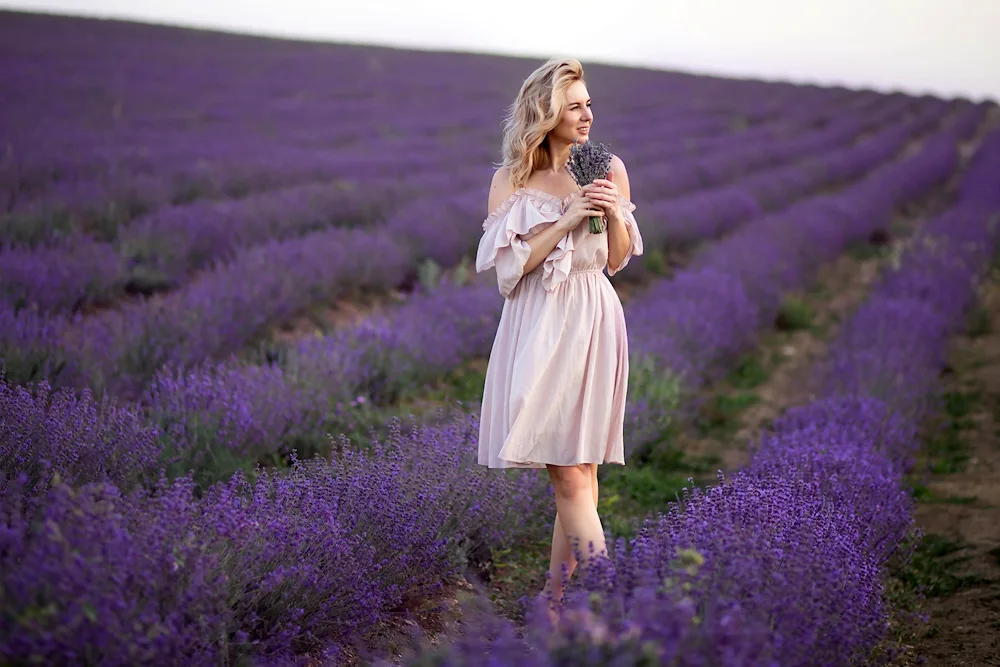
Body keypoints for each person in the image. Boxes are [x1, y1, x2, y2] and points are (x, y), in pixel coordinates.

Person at [475, 57, 643, 616]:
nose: (588, 114)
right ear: (545, 114)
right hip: (537, 322)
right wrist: (569, 217)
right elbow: (511, 270)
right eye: (575, 106)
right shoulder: (511, 180)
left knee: (581, 471)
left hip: (593, 314)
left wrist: (612, 212)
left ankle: (557, 602)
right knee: (569, 474)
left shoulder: (607, 166)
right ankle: (602, 600)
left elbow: (617, 260)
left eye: (589, 103)